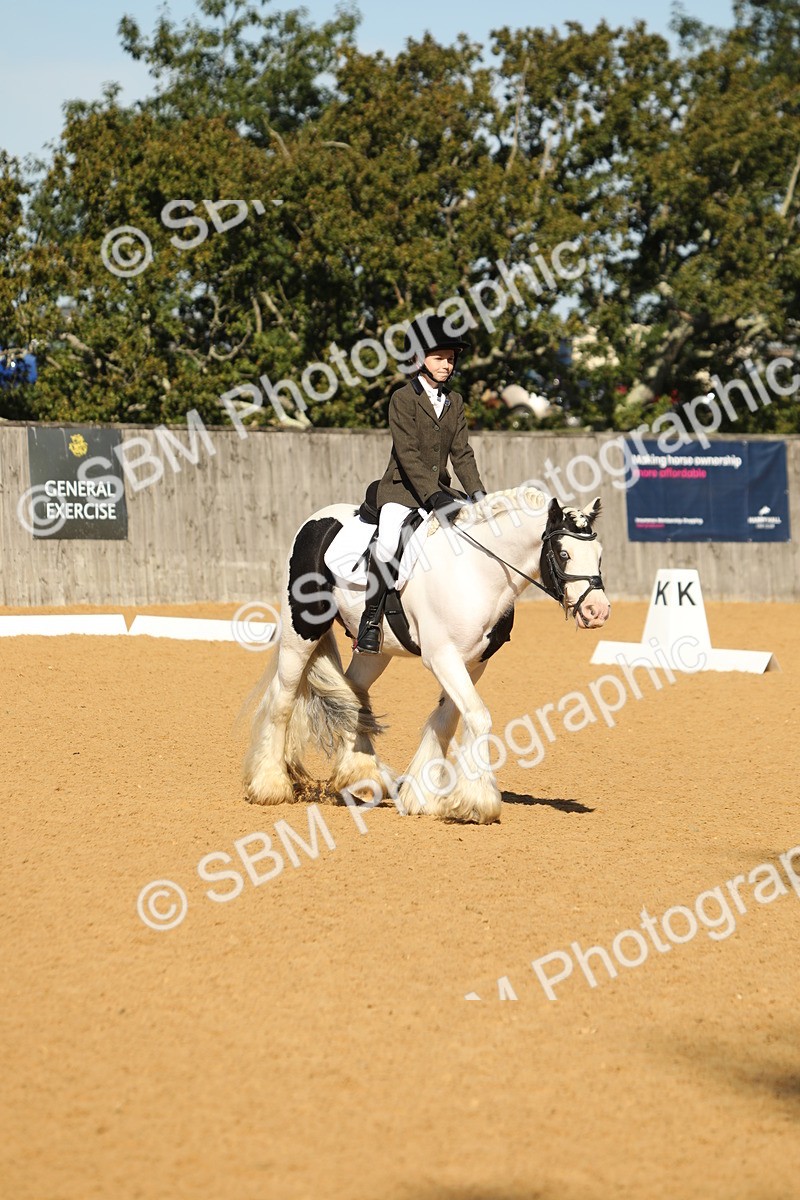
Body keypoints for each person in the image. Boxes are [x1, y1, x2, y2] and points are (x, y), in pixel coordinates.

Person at [354, 315, 487, 653]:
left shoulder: (455, 401)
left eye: (450, 358)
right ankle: (370, 622)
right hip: (402, 490)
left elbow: (462, 453)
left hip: (441, 492)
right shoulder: (402, 398)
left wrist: (478, 495)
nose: (447, 365)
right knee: (387, 543)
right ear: (418, 358)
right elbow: (408, 454)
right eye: (439, 357)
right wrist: (434, 495)